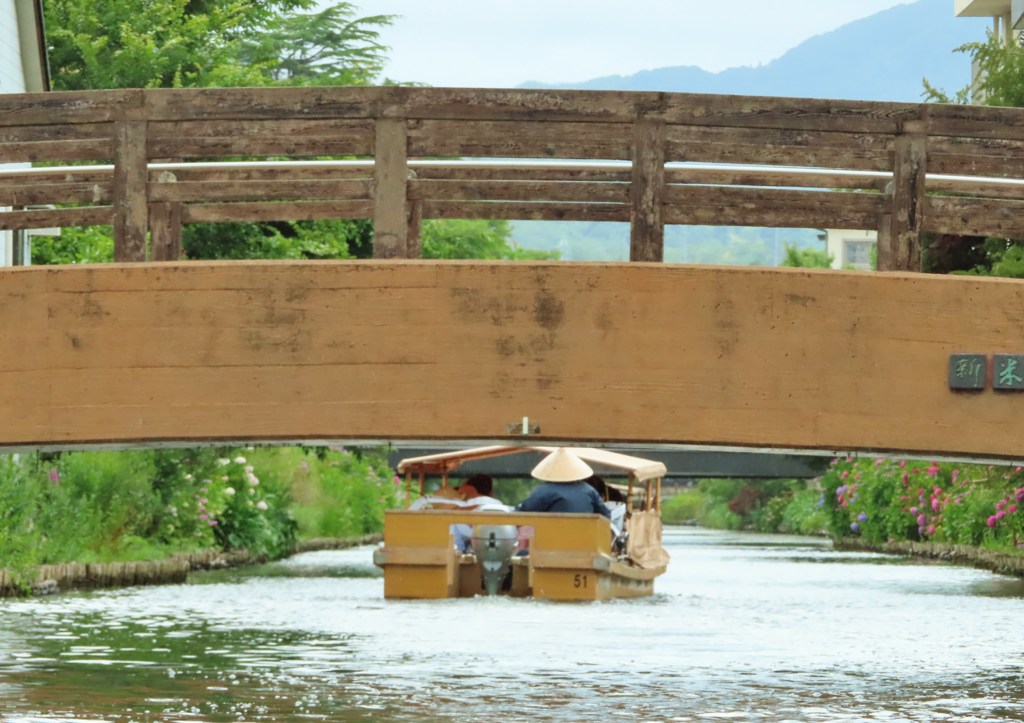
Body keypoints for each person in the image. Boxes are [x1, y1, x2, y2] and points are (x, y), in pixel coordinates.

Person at [515, 449, 611, 518]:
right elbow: (605, 515)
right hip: (585, 540)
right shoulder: (589, 490)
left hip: (550, 541)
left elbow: (523, 512)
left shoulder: (543, 491)